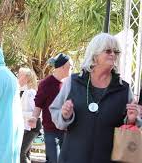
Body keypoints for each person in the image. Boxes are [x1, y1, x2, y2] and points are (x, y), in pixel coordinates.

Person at [49, 33, 141, 163]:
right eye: (108, 51)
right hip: (73, 157)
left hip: (108, 158)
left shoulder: (124, 89)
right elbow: (56, 114)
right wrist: (65, 115)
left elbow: (130, 125)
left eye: (116, 51)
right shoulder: (73, 82)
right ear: (95, 55)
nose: (113, 55)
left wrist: (132, 120)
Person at [28, 53, 72, 163]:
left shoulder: (69, 83)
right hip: (51, 131)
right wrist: (34, 117)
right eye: (70, 65)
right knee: (54, 160)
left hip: (67, 130)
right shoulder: (46, 83)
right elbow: (38, 104)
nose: (72, 68)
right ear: (63, 66)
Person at [18, 67, 41, 163]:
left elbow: (36, 112)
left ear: (27, 78)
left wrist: (18, 113)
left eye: (20, 75)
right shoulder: (22, 91)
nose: (18, 77)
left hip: (32, 127)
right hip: (27, 126)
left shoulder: (30, 93)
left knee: (21, 152)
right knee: (26, 153)